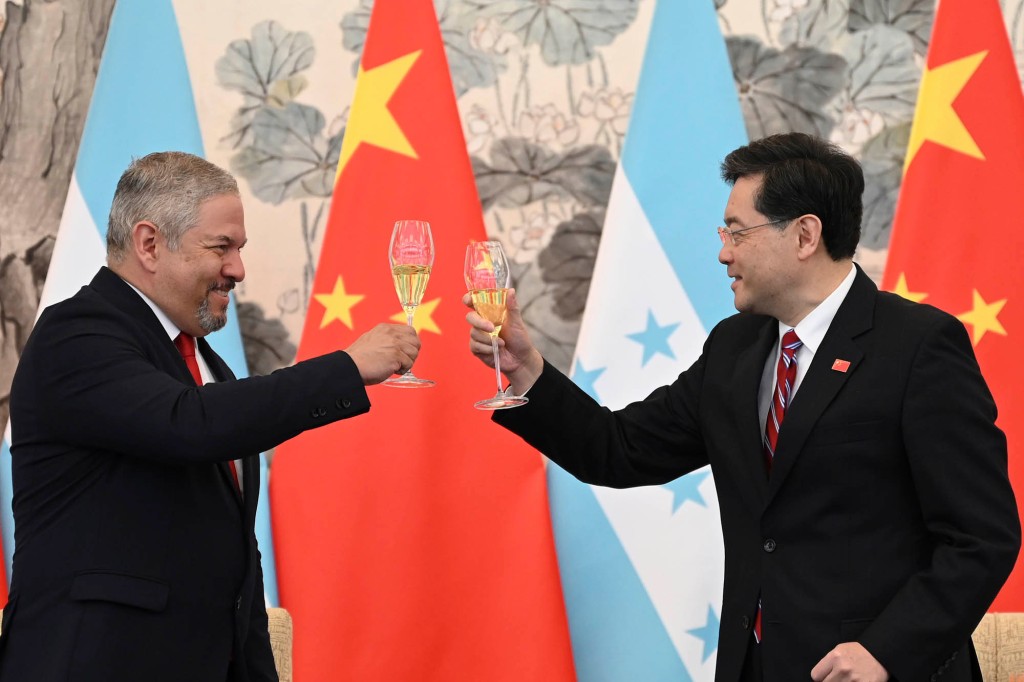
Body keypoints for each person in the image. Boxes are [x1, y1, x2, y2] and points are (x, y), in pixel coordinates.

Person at [465, 133, 1020, 681]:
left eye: (737, 231)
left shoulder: (918, 345)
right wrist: (526, 371)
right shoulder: (736, 347)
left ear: (805, 235)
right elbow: (619, 450)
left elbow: (982, 535)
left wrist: (886, 653)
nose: (723, 252)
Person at [0, 151, 420, 682]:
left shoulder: (206, 364)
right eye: (221, 247)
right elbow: (188, 424)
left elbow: (237, 564)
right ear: (149, 244)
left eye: (239, 249)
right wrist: (346, 368)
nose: (238, 270)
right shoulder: (76, 333)